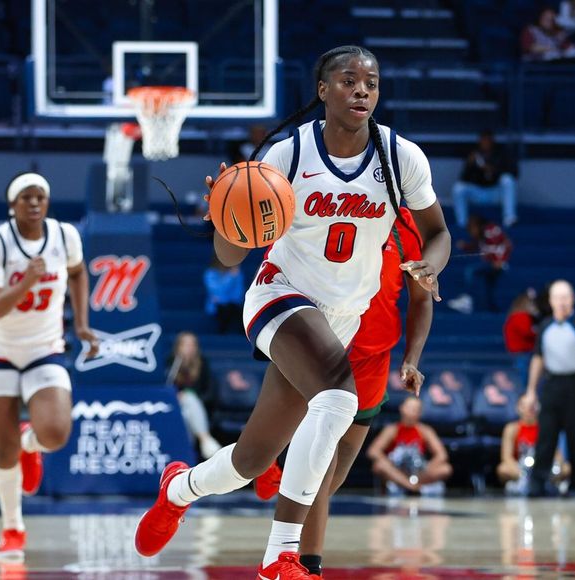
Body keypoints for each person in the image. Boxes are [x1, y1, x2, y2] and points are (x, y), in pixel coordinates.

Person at [133, 45, 450, 580]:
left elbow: (438, 233)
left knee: (253, 458)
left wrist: (430, 266)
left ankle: (179, 488)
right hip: (280, 296)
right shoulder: (286, 156)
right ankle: (280, 558)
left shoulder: (402, 159)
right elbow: (227, 256)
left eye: (370, 83)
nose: (362, 91)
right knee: (336, 397)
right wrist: (226, 220)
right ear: (323, 90)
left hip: (343, 316)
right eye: (349, 81)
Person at [253, 206, 432, 578]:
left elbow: (420, 298)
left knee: (334, 473)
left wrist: (412, 358)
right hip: (326, 344)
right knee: (324, 458)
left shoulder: (404, 225)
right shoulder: (328, 204)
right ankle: (307, 565)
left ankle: (284, 478)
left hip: (374, 358)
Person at [0, 172, 98, 562]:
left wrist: (80, 323)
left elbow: (78, 273)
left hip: (44, 346)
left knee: (57, 432)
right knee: (2, 448)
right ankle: (12, 527)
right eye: (25, 197)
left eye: (40, 196)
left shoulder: (65, 237)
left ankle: (32, 443)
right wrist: (27, 282)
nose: (33, 202)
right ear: (12, 206)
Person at [522, 280, 575, 496]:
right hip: (552, 384)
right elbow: (538, 359)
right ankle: (537, 484)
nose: (563, 302)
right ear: (551, 301)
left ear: (573, 299)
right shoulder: (545, 325)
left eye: (566, 297)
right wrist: (531, 391)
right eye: (558, 297)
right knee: (546, 435)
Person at [367, 396, 450, 493]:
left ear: (420, 413)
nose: (412, 411)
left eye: (415, 409)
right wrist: (388, 463)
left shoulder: (425, 430)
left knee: (445, 469)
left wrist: (428, 468)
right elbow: (373, 451)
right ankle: (412, 487)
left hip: (418, 471)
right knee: (379, 466)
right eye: (409, 407)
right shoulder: (392, 430)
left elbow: (442, 455)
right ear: (401, 408)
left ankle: (408, 485)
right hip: (397, 470)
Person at [167, 331, 222, 459]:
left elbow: (210, 393)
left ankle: (185, 455)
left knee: (188, 405)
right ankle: (205, 440)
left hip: (201, 408)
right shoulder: (171, 363)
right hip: (175, 409)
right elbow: (166, 388)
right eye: (186, 345)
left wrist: (191, 398)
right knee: (185, 410)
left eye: (192, 345)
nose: (189, 348)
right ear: (178, 347)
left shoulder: (203, 363)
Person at [498, 396, 569, 493]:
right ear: (518, 408)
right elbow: (506, 457)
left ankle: (547, 482)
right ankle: (523, 483)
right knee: (503, 469)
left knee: (567, 468)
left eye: (532, 406)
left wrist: (556, 469)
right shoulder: (512, 428)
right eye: (525, 406)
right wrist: (520, 473)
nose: (529, 409)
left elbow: (557, 453)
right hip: (520, 467)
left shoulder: (545, 428)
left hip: (542, 466)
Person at [452, 130, 517, 228]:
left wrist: (493, 170)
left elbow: (514, 173)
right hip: (479, 191)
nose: (485, 143)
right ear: (480, 141)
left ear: (492, 141)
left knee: (508, 180)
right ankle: (463, 223)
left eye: (488, 140)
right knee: (458, 188)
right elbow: (463, 179)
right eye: (483, 140)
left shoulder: (501, 153)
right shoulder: (474, 154)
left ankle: (509, 218)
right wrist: (469, 165)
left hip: (496, 192)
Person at [448, 214, 511, 315]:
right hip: (491, 264)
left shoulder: (490, 230)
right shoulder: (482, 235)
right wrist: (464, 246)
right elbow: (476, 247)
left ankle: (467, 300)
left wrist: (500, 260)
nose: (470, 231)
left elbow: (506, 244)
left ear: (477, 225)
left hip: (498, 264)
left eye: (470, 228)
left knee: (471, 271)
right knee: (488, 286)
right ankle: (492, 309)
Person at [503, 290, 538, 382]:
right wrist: (539, 333)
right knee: (523, 377)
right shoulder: (521, 316)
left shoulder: (515, 316)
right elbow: (527, 332)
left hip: (518, 352)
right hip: (522, 352)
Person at [203, 257, 245, 334]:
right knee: (224, 309)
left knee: (237, 309)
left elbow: (239, 293)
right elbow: (218, 290)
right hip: (218, 306)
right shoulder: (210, 273)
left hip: (234, 304)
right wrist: (231, 277)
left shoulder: (236, 273)